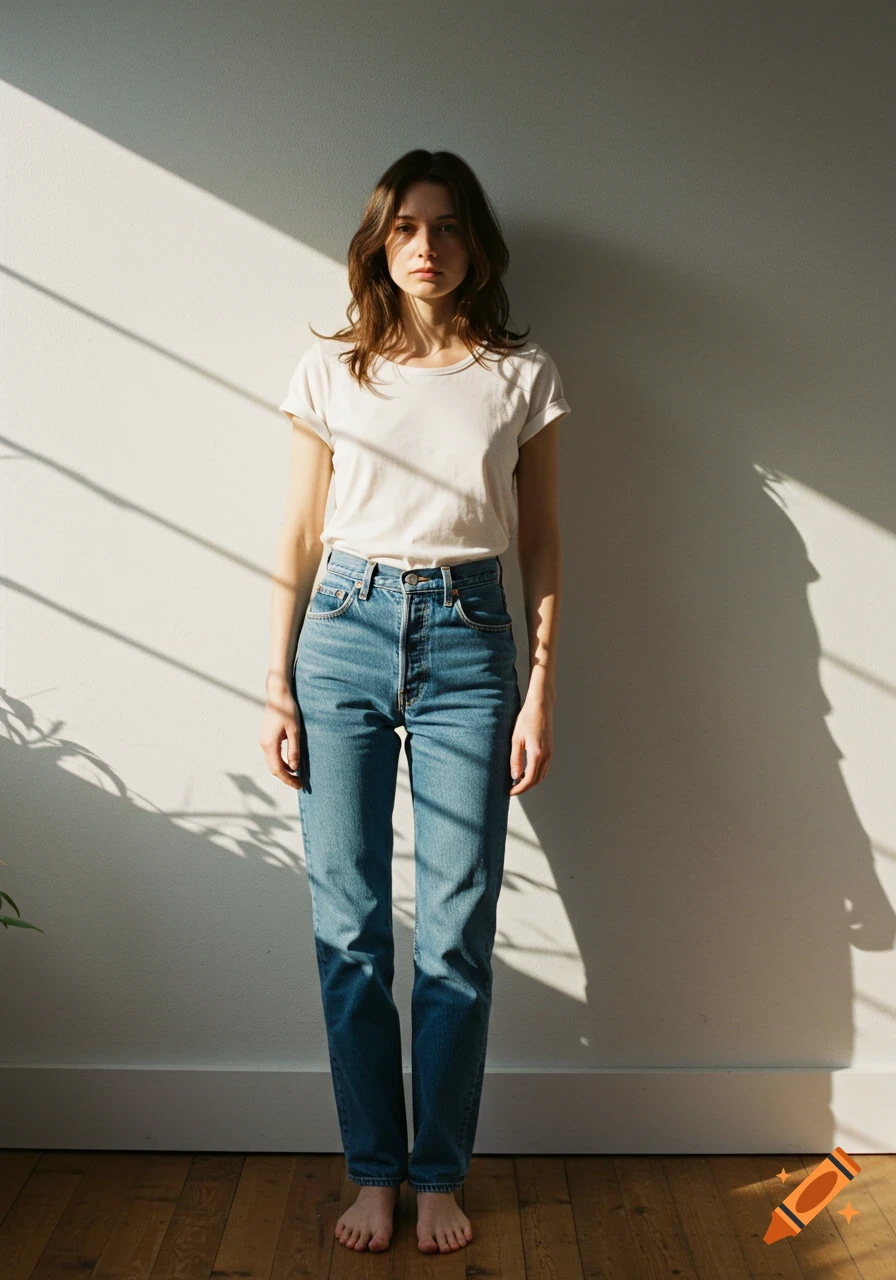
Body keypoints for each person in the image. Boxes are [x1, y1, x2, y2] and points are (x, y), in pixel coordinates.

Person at [260, 149, 570, 1256]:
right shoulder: (330, 371)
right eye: (403, 228)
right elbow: (299, 533)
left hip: (471, 641)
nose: (425, 247)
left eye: (443, 227)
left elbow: (538, 543)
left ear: (473, 241)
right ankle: (372, 1171)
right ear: (377, 242)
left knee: (454, 932)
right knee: (347, 926)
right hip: (339, 633)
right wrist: (276, 679)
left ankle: (436, 1169)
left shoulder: (519, 374)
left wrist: (538, 687)